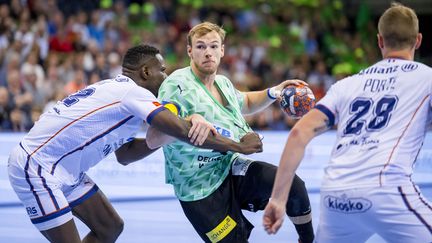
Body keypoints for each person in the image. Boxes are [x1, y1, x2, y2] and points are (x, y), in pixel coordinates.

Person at [7, 44, 263, 243]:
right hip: (37, 166)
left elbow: (125, 155)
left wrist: (162, 138)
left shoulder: (119, 94)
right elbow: (185, 131)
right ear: (145, 72)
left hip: (65, 170)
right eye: (162, 71)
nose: (165, 76)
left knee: (110, 226)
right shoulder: (133, 93)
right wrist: (238, 145)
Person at [263, 3, 432, 242]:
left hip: (336, 195)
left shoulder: (347, 84)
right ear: (418, 40)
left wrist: (278, 200)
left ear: (380, 41)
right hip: (386, 190)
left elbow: (298, 135)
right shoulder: (426, 78)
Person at [156, 22, 314, 243]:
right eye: (200, 47)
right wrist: (190, 119)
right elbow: (160, 127)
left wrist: (274, 91)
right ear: (190, 51)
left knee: (292, 184)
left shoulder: (223, 83)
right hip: (199, 191)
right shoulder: (177, 85)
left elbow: (246, 101)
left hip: (230, 168)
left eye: (213, 46)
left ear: (222, 50)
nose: (208, 52)